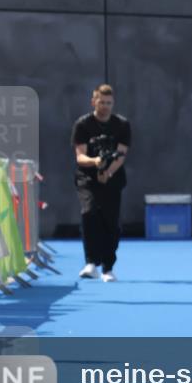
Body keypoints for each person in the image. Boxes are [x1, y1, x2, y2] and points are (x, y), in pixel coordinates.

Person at [72, 84, 130, 283]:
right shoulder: (82, 125)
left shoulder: (122, 125)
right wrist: (96, 163)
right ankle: (90, 262)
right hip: (87, 177)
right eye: (101, 102)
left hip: (112, 178)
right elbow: (80, 157)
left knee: (110, 222)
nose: (105, 106)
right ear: (93, 102)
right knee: (89, 213)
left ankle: (108, 267)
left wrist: (108, 170)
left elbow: (121, 155)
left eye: (109, 103)